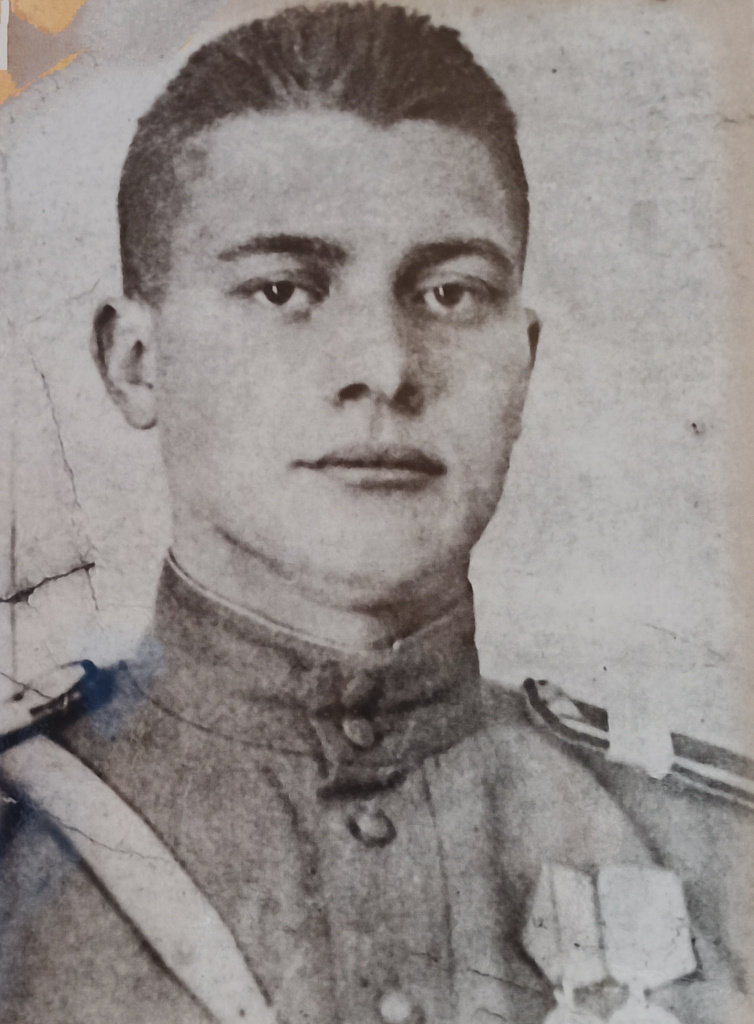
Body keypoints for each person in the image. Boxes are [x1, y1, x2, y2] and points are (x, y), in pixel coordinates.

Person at [0, 4, 751, 1023]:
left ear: (523, 363)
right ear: (135, 363)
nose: (386, 368)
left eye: (449, 294)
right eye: (282, 290)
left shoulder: (719, 860)